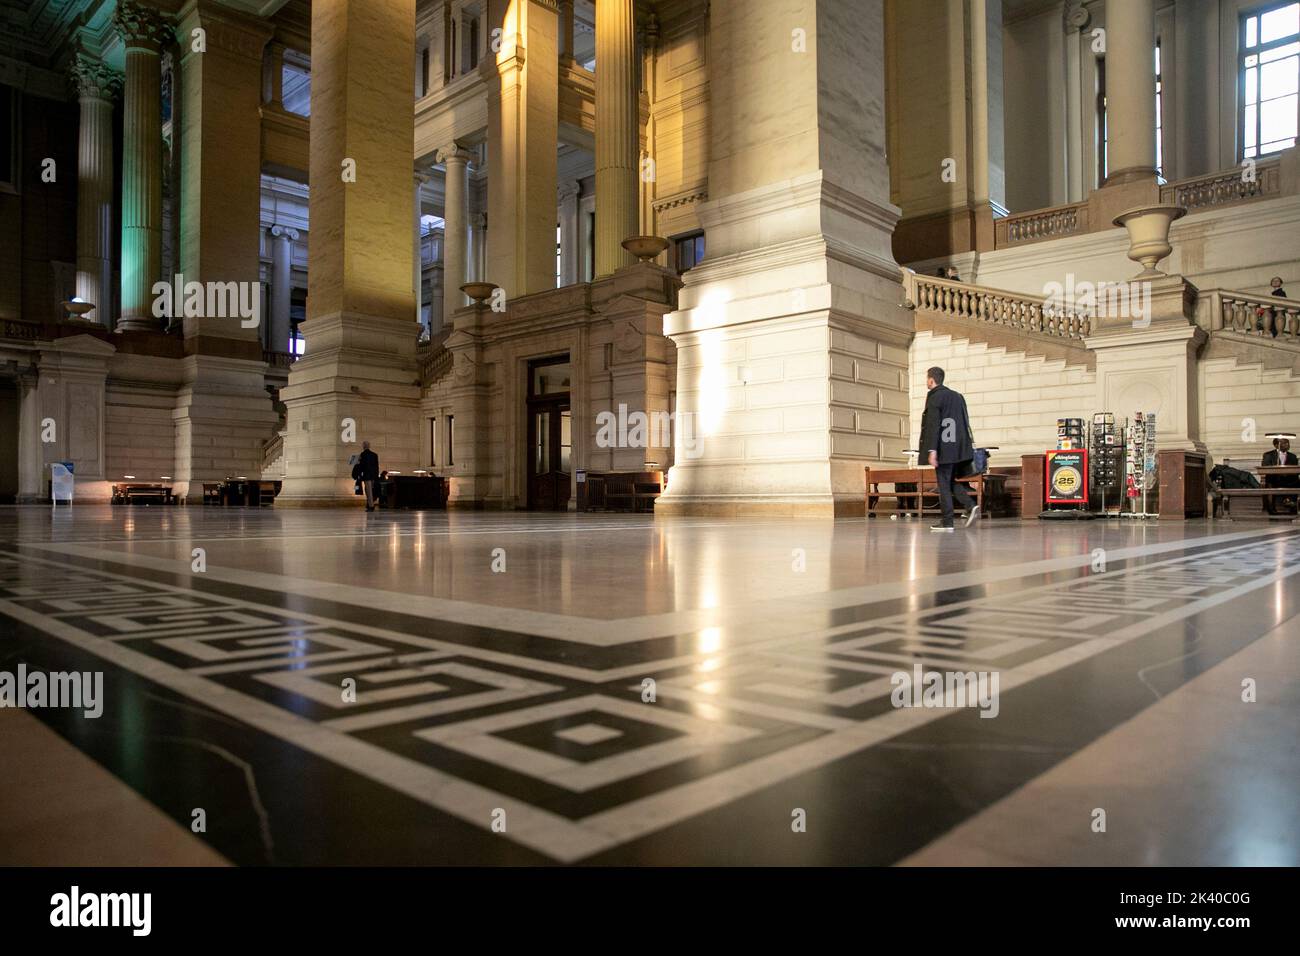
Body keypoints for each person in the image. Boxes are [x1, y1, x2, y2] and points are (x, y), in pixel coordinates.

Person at [919, 366, 979, 532]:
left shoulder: (934, 397)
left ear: (931, 380)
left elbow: (933, 425)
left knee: (943, 484)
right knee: (949, 481)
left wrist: (932, 450)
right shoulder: (957, 397)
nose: (927, 382)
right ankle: (970, 506)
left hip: (943, 449)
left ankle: (947, 522)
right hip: (958, 448)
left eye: (927, 379)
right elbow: (965, 423)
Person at [1262, 437, 1299, 515]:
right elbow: (1265, 468)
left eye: (1288, 443)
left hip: (1289, 480)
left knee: (1297, 481)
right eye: (1284, 443)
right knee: (1270, 482)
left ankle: (1292, 504)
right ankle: (1271, 508)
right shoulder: (1268, 455)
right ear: (1276, 445)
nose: (1287, 445)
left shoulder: (1293, 456)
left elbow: (1296, 470)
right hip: (1274, 480)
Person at [358, 440, 380, 512]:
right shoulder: (374, 455)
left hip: (367, 475)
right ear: (369, 446)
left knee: (369, 491)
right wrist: (376, 476)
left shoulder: (362, 454)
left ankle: (371, 506)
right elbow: (377, 467)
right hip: (373, 475)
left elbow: (361, 466)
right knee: (371, 491)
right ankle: (369, 504)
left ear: (363, 446)